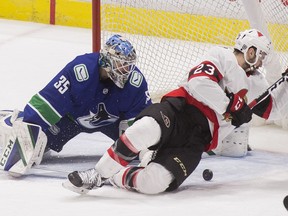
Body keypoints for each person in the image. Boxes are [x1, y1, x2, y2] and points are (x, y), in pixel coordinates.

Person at [63, 29, 288, 195]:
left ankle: (116, 176)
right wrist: (230, 106)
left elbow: (275, 110)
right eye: (261, 55)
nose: (262, 62)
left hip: (199, 138)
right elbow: (199, 82)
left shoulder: (257, 83)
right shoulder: (222, 56)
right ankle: (96, 175)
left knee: (154, 183)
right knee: (144, 129)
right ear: (250, 51)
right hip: (179, 110)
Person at [0, 34, 152, 176]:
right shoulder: (81, 69)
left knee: (137, 147)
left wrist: (148, 147)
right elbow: (50, 101)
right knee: (43, 142)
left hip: (113, 122)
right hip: (72, 119)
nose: (125, 70)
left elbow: (143, 122)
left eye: (128, 65)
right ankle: (14, 120)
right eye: (121, 64)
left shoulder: (135, 83)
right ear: (106, 60)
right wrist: (29, 125)